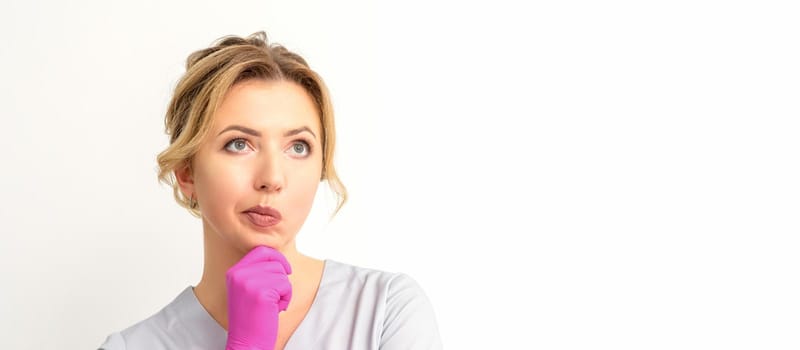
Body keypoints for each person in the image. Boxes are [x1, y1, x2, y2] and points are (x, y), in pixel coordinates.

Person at [97, 31, 442, 350]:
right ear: (187, 173)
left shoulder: (384, 310)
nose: (273, 177)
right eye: (239, 144)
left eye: (298, 147)